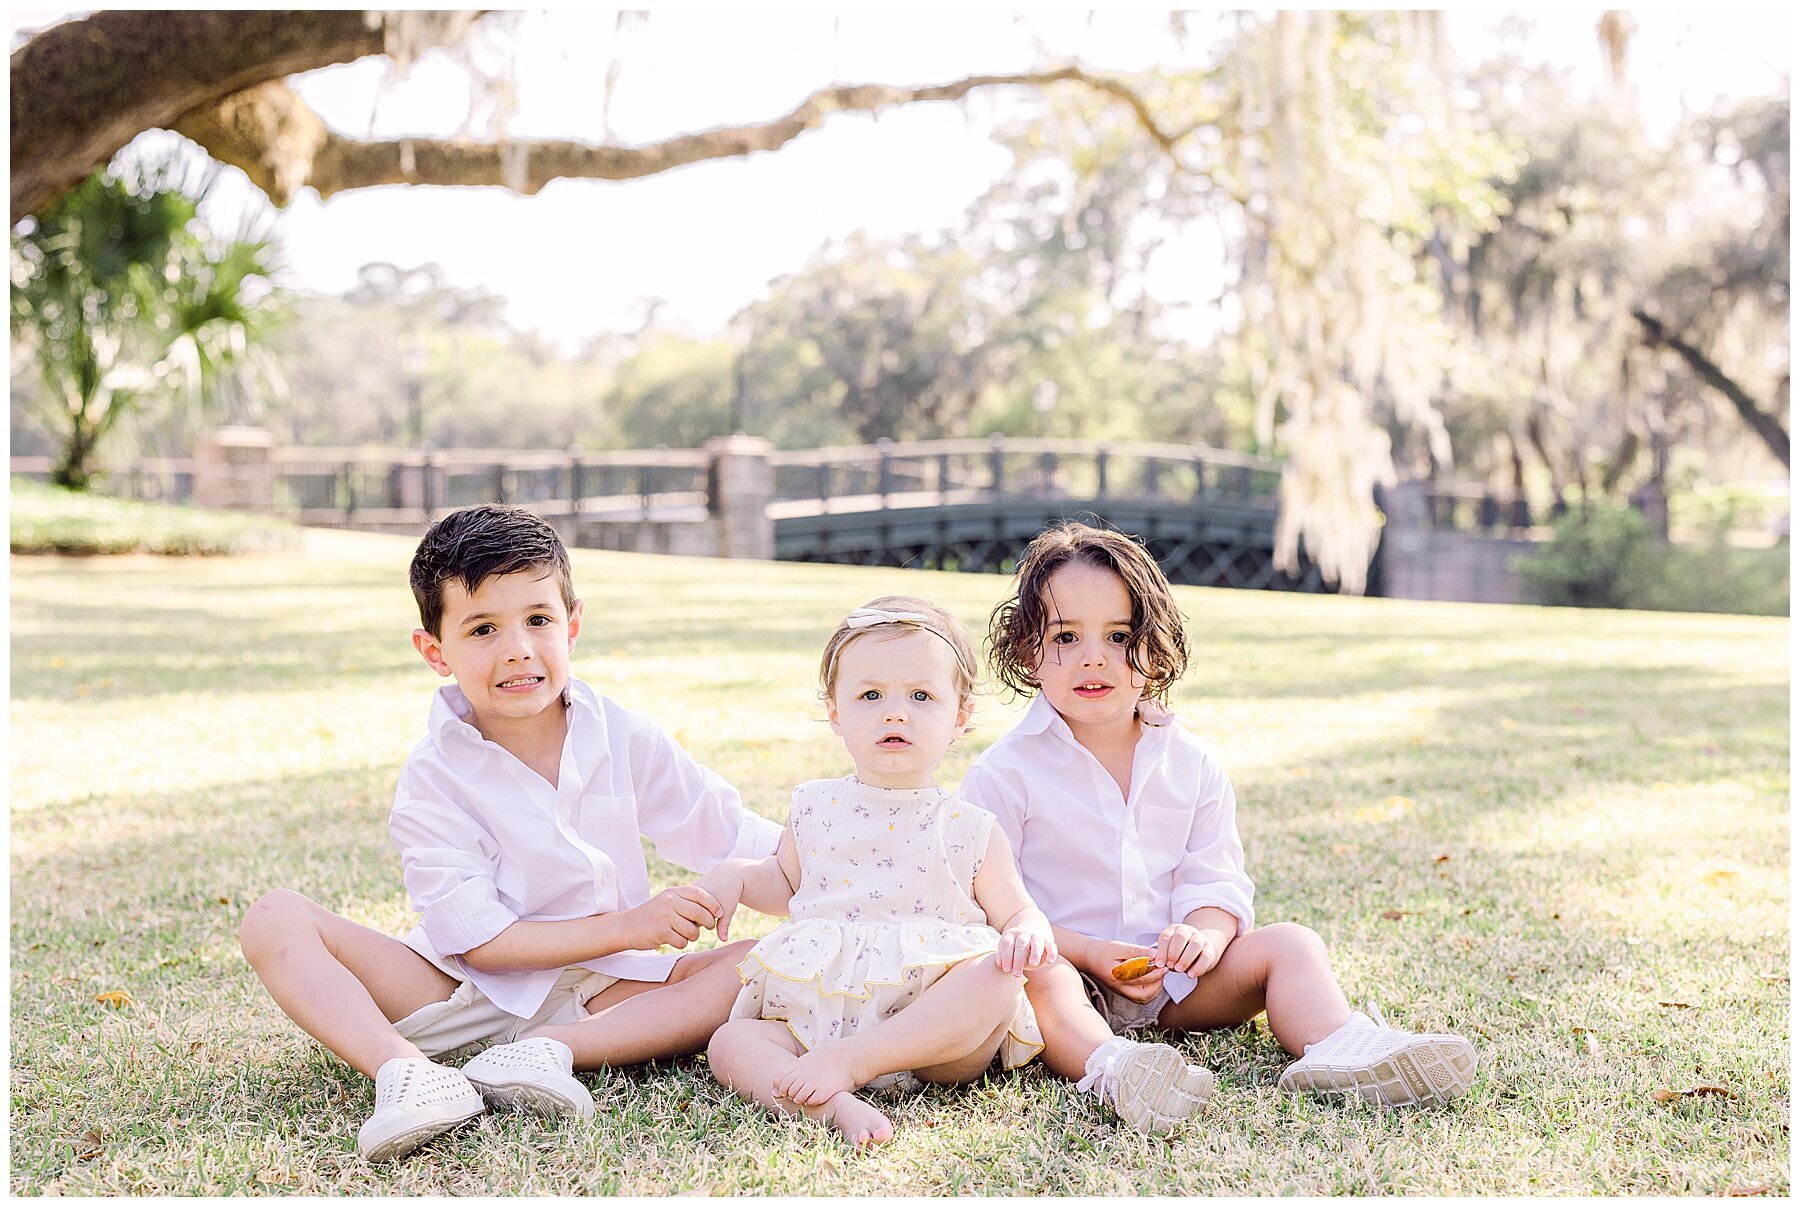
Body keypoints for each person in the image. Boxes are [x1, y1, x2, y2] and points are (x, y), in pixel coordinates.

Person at [238, 504, 780, 1162]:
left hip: (600, 991)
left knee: (758, 962)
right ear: (435, 651)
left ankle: (545, 1056)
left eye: (538, 620)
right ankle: (408, 1074)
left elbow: (734, 835)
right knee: (274, 918)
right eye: (483, 628)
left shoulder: (621, 734)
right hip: (459, 988)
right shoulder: (434, 775)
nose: (518, 648)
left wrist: (844, 870)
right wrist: (632, 925)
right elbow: (484, 942)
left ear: (572, 626)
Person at [960, 521, 1478, 1132]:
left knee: (1293, 945)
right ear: (1028, 651)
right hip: (1068, 984)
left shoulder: (1190, 762)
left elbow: (1216, 879)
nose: (1093, 657)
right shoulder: (1005, 772)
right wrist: (1092, 953)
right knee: (1039, 974)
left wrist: (1202, 938)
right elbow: (992, 910)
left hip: (1177, 987)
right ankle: (1113, 1069)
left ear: (1154, 647)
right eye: (1065, 636)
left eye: (1119, 635)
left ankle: (1342, 1049)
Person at [701, 597, 1052, 1149]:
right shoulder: (815, 806)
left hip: (934, 1037)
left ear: (959, 716)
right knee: (730, 1042)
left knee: (996, 979)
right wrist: (739, 876)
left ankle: (854, 1062)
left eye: (921, 696)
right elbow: (787, 884)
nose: (895, 713)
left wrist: (1028, 929)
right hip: (817, 1022)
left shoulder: (969, 826)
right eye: (870, 696)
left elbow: (1017, 910)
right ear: (836, 713)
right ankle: (831, 1105)